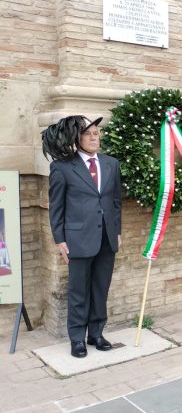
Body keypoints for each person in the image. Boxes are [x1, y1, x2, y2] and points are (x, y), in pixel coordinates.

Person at [43, 116, 121, 358]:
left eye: (97, 133)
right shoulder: (62, 167)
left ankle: (96, 333)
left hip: (107, 237)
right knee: (78, 291)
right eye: (88, 134)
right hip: (78, 239)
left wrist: (117, 231)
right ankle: (76, 338)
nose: (94, 137)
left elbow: (115, 202)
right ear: (77, 139)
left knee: (101, 288)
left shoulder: (111, 164)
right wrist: (59, 239)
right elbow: (56, 206)